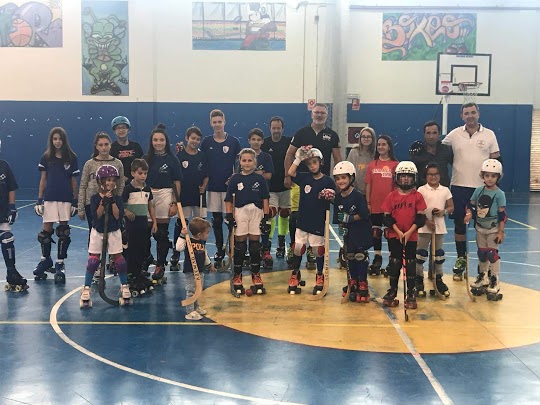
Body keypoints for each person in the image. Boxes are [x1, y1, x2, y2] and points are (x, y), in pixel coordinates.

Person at [441, 103, 500, 279]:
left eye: (473, 112)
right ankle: (461, 259)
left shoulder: (489, 135)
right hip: (459, 187)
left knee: (484, 228)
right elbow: (439, 151)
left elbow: (496, 161)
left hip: (482, 189)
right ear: (462, 116)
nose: (470, 116)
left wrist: (494, 187)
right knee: (460, 226)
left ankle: (485, 266)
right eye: (466, 113)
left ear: (478, 113)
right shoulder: (454, 135)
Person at [33, 127, 80, 283]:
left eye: (60, 139)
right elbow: (43, 179)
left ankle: (60, 263)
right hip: (50, 197)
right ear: (51, 140)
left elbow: (74, 181)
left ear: (64, 140)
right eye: (55, 139)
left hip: (65, 198)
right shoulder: (46, 157)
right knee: (46, 231)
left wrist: (75, 200)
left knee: (63, 231)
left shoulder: (72, 157)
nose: (57, 141)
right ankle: (45, 260)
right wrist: (39, 200)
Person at [80, 165, 131, 307]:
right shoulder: (94, 198)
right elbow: (96, 216)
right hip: (98, 231)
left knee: (119, 261)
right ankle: (86, 288)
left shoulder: (118, 198)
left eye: (113, 180)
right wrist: (103, 202)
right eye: (108, 180)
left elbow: (117, 216)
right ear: (100, 181)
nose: (111, 183)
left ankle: (124, 286)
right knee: (93, 261)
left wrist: (112, 201)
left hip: (113, 231)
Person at [287, 147, 335, 295]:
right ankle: (295, 273)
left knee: (317, 250)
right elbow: (290, 172)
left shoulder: (328, 181)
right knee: (298, 248)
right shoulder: (304, 178)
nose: (312, 166)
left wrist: (331, 196)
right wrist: (298, 158)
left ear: (320, 162)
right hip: (303, 220)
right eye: (309, 164)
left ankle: (319, 275)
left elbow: (335, 199)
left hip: (318, 222)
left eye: (315, 162)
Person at [380, 161, 427, 309]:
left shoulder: (417, 196)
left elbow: (420, 218)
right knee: (395, 262)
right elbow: (387, 217)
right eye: (402, 176)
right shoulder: (391, 196)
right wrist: (399, 232)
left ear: (414, 178)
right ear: (397, 178)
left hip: (411, 236)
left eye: (409, 176)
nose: (405, 179)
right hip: (395, 236)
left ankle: (411, 292)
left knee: (410, 263)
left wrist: (409, 232)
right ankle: (392, 290)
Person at [225, 148, 270, 295]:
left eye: (250, 160)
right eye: (244, 160)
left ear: (255, 162)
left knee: (255, 245)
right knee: (240, 244)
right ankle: (237, 275)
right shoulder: (235, 179)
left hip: (256, 211)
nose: (247, 163)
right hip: (240, 211)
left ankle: (256, 274)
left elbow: (265, 198)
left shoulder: (260, 179)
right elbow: (228, 199)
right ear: (240, 162)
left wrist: (266, 217)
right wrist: (229, 215)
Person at [201, 109, 241, 269]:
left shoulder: (233, 142)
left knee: (231, 220)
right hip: (212, 187)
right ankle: (219, 250)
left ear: (224, 122)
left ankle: (233, 248)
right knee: (216, 220)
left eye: (220, 121)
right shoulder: (206, 142)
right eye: (214, 122)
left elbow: (239, 163)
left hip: (229, 189)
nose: (217, 124)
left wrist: (235, 176)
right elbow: (201, 162)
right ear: (211, 123)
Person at [143, 124, 183, 283]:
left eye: (161, 140)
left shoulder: (172, 159)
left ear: (166, 141)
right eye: (155, 140)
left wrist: (174, 202)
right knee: (144, 232)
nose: (158, 143)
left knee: (160, 233)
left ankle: (160, 265)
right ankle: (146, 259)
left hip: (165, 194)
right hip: (147, 195)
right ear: (151, 142)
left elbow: (177, 182)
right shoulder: (146, 159)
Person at [465, 159, 506, 301]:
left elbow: (502, 215)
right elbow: (470, 205)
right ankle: (483, 277)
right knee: (482, 254)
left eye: (493, 176)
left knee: (492, 254)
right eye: (487, 175)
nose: (490, 178)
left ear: (498, 177)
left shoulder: (499, 194)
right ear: (482, 176)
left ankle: (494, 280)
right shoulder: (478, 191)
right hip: (480, 227)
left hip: (493, 228)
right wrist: (469, 213)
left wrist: (501, 232)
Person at [169, 126, 209, 272]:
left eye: (198, 139)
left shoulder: (202, 156)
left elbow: (206, 175)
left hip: (198, 195)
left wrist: (204, 186)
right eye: (193, 138)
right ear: (187, 138)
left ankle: (202, 252)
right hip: (184, 195)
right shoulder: (179, 156)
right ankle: (176, 254)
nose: (195, 141)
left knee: (201, 225)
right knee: (181, 224)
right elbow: (175, 177)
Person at [333, 161, 372, 303]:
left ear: (351, 178)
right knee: (349, 256)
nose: (341, 181)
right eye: (338, 179)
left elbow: (364, 214)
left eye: (343, 177)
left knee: (360, 256)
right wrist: (342, 226)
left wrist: (349, 218)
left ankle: (362, 281)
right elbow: (338, 217)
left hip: (361, 230)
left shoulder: (358, 196)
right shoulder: (338, 198)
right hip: (348, 233)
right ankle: (353, 280)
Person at [415, 163, 454, 298]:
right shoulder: (421, 190)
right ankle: (419, 279)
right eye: (430, 174)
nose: (433, 177)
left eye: (435, 174)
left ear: (440, 175)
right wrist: (426, 221)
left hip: (439, 227)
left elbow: (451, 207)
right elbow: (418, 208)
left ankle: (438, 279)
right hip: (424, 227)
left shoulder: (445, 190)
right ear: (426, 176)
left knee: (438, 255)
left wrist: (443, 212)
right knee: (420, 254)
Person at [122, 158, 157, 296]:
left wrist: (154, 222)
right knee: (133, 249)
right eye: (140, 173)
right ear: (133, 173)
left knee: (142, 248)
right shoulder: (128, 189)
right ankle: (131, 275)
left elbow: (150, 206)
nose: (143, 176)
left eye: (145, 173)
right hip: (132, 224)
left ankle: (139, 273)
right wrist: (126, 211)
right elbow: (120, 204)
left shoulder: (147, 189)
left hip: (143, 222)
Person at [365, 135, 399, 275]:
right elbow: (368, 184)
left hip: (390, 206)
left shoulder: (395, 165)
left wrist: (395, 204)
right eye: (378, 144)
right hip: (375, 204)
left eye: (383, 144)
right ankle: (377, 258)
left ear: (389, 146)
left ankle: (392, 260)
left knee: (390, 233)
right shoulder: (372, 165)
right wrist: (368, 202)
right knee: (376, 232)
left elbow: (397, 186)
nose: (380, 147)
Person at [78, 132, 125, 235]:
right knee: (94, 233)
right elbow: (83, 186)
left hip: (112, 203)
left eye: (106, 144)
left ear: (110, 145)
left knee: (113, 232)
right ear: (96, 146)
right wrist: (80, 207)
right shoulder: (89, 164)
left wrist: (116, 199)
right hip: (92, 204)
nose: (104, 147)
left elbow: (121, 184)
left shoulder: (117, 163)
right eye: (101, 145)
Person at [284, 103, 342, 180]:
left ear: (327, 116)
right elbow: (289, 154)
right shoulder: (301, 133)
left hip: (323, 180)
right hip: (301, 179)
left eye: (322, 113)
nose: (319, 115)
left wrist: (338, 178)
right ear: (312, 115)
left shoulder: (333, 135)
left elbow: (337, 159)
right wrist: (287, 176)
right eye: (316, 112)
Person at [261, 116, 292, 260]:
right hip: (270, 187)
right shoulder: (264, 143)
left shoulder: (289, 142)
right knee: (271, 213)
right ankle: (267, 243)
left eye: (278, 128)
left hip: (286, 185)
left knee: (284, 213)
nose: (276, 130)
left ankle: (281, 243)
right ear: (270, 128)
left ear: (282, 129)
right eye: (273, 128)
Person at [246, 128, 274, 269]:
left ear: (262, 141)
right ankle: (248, 251)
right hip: (246, 197)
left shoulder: (266, 157)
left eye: (258, 140)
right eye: (253, 139)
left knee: (264, 224)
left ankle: (266, 250)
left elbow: (269, 175)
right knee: (247, 224)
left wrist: (257, 174)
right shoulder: (244, 156)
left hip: (262, 196)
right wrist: (257, 173)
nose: (256, 142)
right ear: (249, 141)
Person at [176, 217, 212, 320]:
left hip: (200, 270)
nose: (208, 235)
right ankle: (190, 311)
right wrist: (182, 235)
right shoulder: (188, 241)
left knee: (198, 290)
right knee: (191, 291)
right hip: (190, 271)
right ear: (200, 234)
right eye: (207, 233)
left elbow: (204, 254)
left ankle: (196, 307)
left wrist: (209, 265)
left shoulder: (201, 242)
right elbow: (178, 248)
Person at [1, 158, 28, 292]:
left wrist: (12, 207)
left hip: (2, 210)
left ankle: (11, 273)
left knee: (7, 239)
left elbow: (11, 187)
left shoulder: (4, 165)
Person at [409, 121, 453, 187]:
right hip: (422, 190)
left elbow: (457, 166)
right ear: (424, 134)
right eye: (428, 133)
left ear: (439, 134)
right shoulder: (418, 152)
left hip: (443, 190)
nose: (431, 137)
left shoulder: (446, 150)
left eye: (434, 133)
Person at [110, 116, 144, 184]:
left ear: (128, 130)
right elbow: (111, 169)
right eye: (118, 128)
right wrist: (127, 180)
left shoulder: (136, 147)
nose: (121, 130)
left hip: (136, 184)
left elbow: (142, 166)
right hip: (117, 185)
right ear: (114, 131)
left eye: (123, 127)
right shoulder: (111, 148)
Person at [346, 126, 375, 194]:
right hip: (356, 190)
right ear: (360, 138)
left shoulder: (376, 153)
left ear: (373, 139)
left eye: (368, 137)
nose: (366, 139)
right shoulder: (354, 151)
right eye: (363, 136)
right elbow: (348, 171)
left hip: (372, 190)